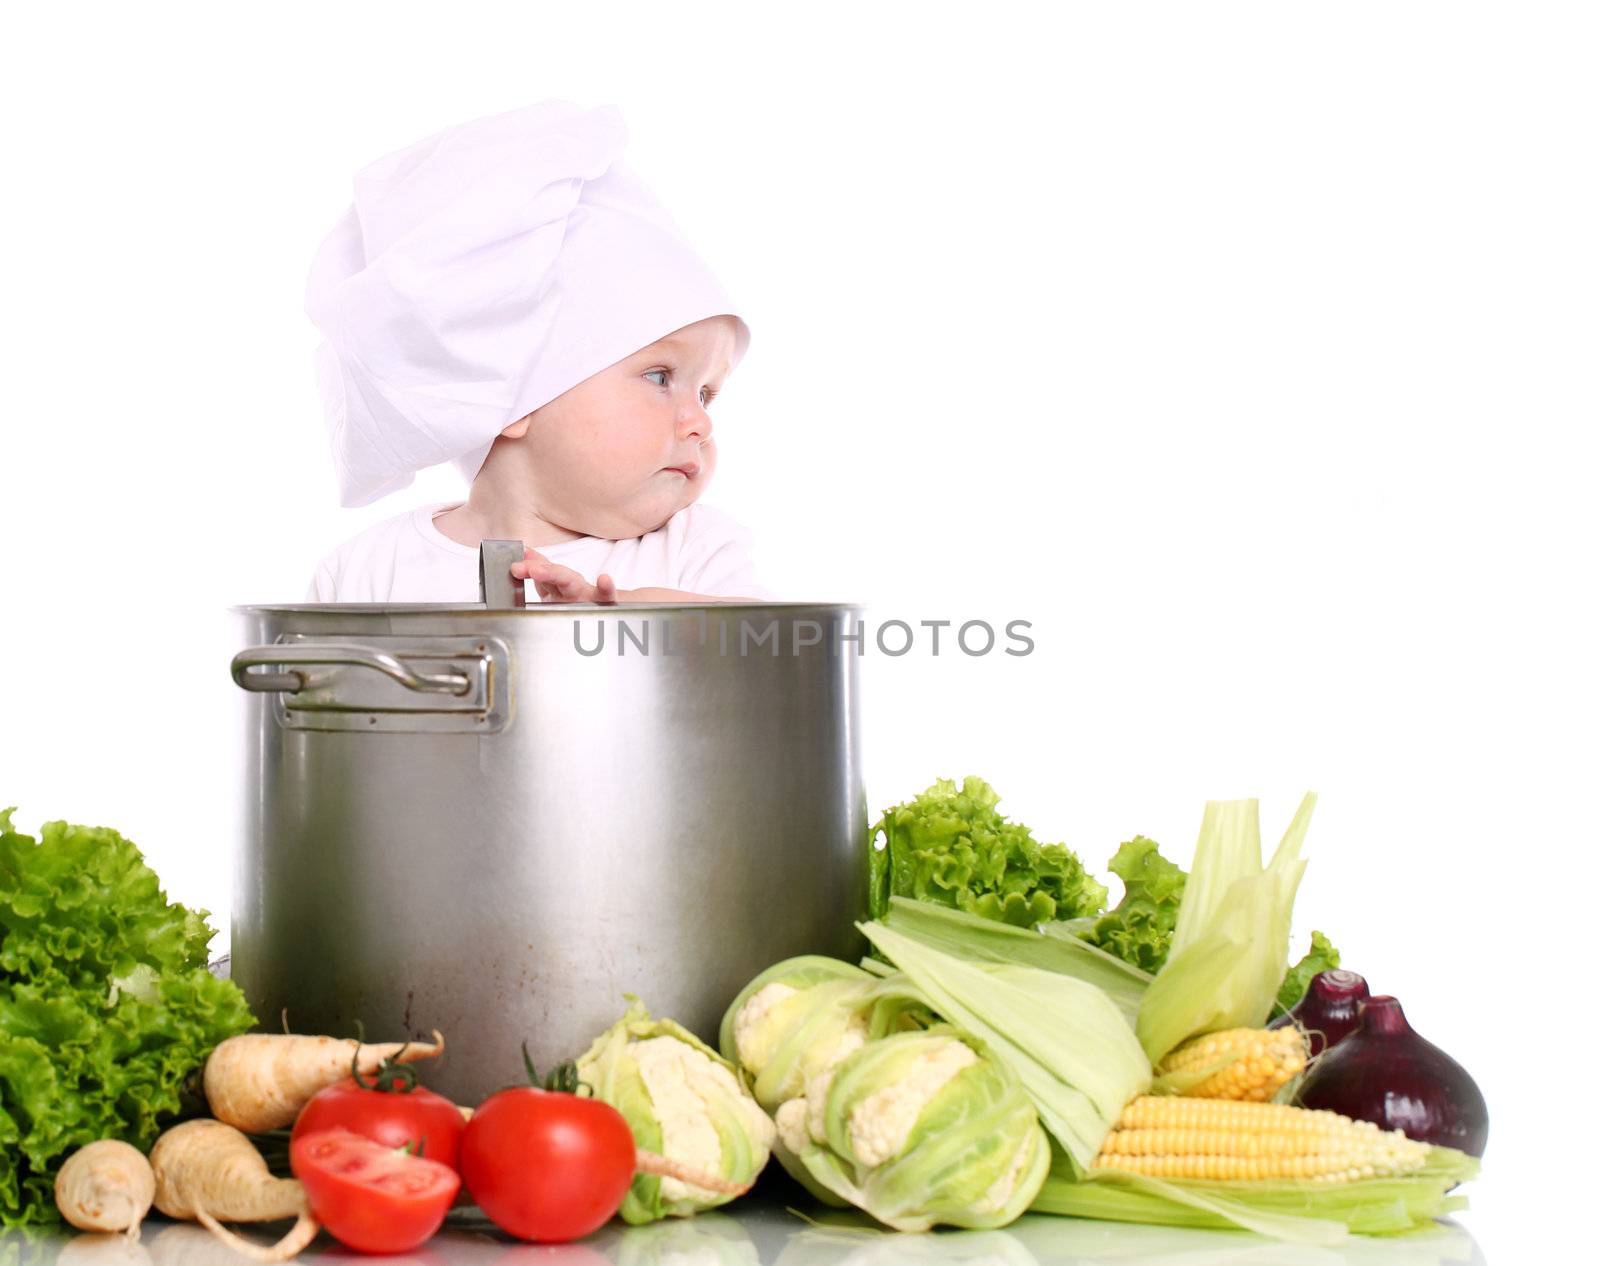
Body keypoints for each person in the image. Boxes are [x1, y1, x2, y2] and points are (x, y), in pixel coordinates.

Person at [303, 101, 773, 604]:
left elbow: (771, 647)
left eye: (706, 393)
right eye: (660, 377)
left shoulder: (694, 550)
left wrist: (617, 608)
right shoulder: (368, 572)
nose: (701, 423)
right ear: (515, 401)